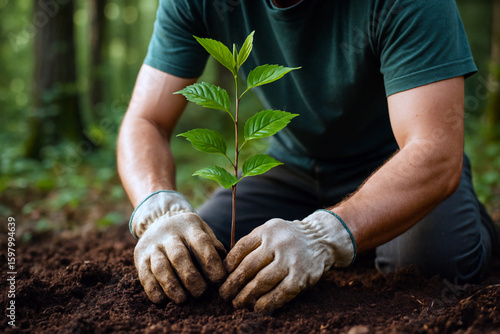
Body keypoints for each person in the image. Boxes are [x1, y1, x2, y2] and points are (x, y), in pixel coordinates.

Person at [117, 0, 499, 313]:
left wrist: (322, 236)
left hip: (395, 163)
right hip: (292, 167)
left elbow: (432, 148)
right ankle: (366, 238)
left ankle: (463, 229)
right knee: (200, 261)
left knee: (432, 262)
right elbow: (145, 120)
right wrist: (158, 209)